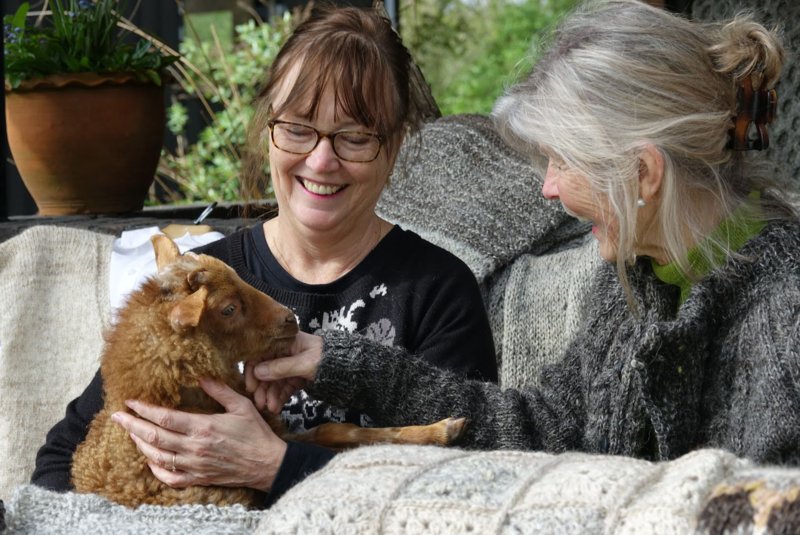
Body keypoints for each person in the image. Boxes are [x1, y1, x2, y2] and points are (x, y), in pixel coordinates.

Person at [240, 0, 800, 493]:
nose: (547, 188)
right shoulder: (639, 276)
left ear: (643, 173)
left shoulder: (784, 317)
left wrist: (281, 464)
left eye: (561, 160)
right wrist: (337, 362)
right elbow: (539, 432)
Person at [31, 5, 497, 507]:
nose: (321, 160)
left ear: (395, 144)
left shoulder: (436, 290)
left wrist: (275, 466)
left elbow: (467, 485)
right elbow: (56, 468)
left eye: (355, 137)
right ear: (268, 128)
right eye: (298, 128)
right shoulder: (204, 285)